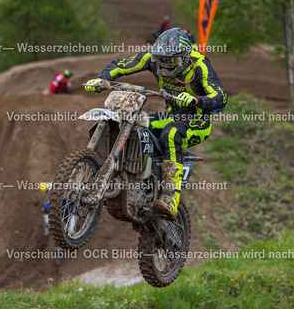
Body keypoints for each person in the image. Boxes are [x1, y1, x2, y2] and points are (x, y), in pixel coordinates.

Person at [84, 28, 227, 220]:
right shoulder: (153, 57)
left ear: (184, 56)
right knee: (133, 124)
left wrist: (196, 100)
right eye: (162, 60)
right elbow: (122, 65)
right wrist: (102, 79)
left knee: (171, 133)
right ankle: (126, 181)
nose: (165, 65)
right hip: (171, 115)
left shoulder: (200, 65)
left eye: (171, 61)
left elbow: (220, 97)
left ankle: (170, 197)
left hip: (197, 122)